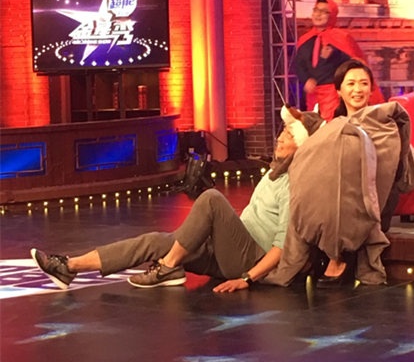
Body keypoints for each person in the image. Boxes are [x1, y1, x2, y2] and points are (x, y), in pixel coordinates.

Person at [30, 107, 324, 292]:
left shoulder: (294, 184)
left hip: (250, 259)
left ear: (303, 145)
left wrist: (247, 278)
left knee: (212, 198)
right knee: (155, 241)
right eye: (282, 132)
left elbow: (281, 246)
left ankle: (169, 265)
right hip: (228, 251)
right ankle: (69, 267)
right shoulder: (273, 172)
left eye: (289, 135)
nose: (280, 138)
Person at [264, 59, 414, 288]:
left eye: (364, 83)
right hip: (335, 199)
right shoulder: (332, 127)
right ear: (339, 91)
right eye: (351, 83)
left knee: (345, 192)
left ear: (371, 89)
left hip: (372, 199)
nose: (357, 89)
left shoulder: (383, 123)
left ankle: (338, 259)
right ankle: (317, 250)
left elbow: (388, 165)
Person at [296, 0, 383, 120]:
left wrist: (326, 60)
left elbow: (356, 64)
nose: (318, 14)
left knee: (332, 126)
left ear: (331, 16)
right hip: (313, 96)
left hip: (333, 95)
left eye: (324, 12)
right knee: (314, 126)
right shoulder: (305, 39)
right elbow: (298, 65)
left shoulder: (341, 38)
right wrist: (306, 80)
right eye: (316, 10)